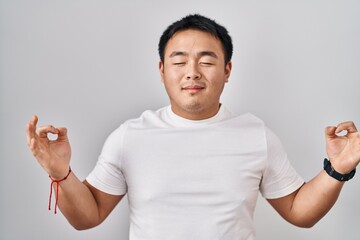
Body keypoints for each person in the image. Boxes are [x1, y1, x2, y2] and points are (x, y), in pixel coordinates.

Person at [26, 14, 360, 240]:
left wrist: (338, 170)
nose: (192, 72)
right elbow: (88, 217)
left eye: (207, 60)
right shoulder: (130, 136)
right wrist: (61, 173)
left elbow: (299, 211)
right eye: (179, 60)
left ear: (227, 70)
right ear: (161, 69)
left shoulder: (255, 134)